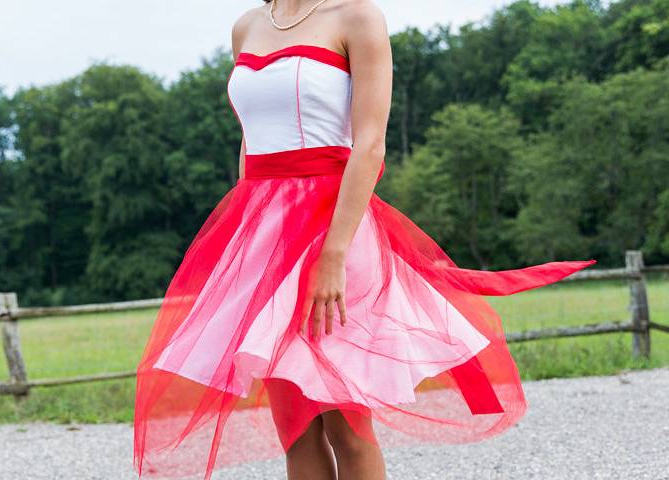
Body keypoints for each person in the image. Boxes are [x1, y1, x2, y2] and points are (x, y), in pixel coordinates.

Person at [133, 1, 596, 479]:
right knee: (296, 432)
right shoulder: (247, 27)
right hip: (263, 239)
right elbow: (250, 146)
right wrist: (245, 240)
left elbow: (370, 144)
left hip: (335, 229)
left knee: (348, 430)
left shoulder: (356, 17)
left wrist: (334, 253)